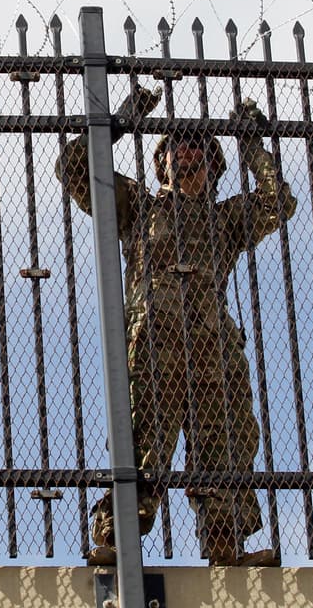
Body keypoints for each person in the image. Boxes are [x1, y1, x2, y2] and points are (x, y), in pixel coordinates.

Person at [56, 95, 296, 567]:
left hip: (213, 342)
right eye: (179, 146)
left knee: (225, 440)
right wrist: (122, 121)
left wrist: (251, 146)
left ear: (214, 165)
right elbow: (72, 168)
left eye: (200, 149)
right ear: (161, 162)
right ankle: (116, 537)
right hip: (154, 337)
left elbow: (278, 202)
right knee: (143, 439)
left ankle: (225, 544)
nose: (188, 153)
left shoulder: (226, 218)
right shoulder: (137, 205)